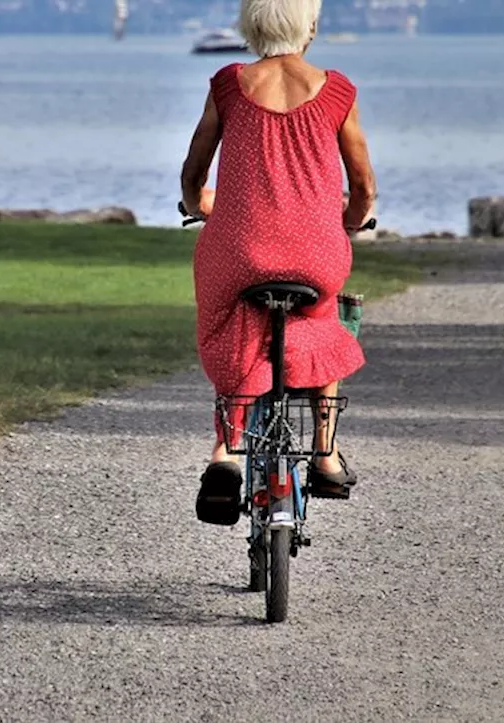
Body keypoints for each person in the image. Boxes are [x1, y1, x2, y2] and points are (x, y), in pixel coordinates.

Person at [179, 0, 377, 519]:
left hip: (238, 248)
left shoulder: (227, 83)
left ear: (251, 26)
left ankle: (225, 453)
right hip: (315, 252)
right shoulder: (337, 90)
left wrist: (198, 202)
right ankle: (325, 453)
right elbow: (363, 186)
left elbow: (194, 166)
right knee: (323, 318)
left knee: (231, 320)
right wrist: (351, 221)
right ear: (309, 25)